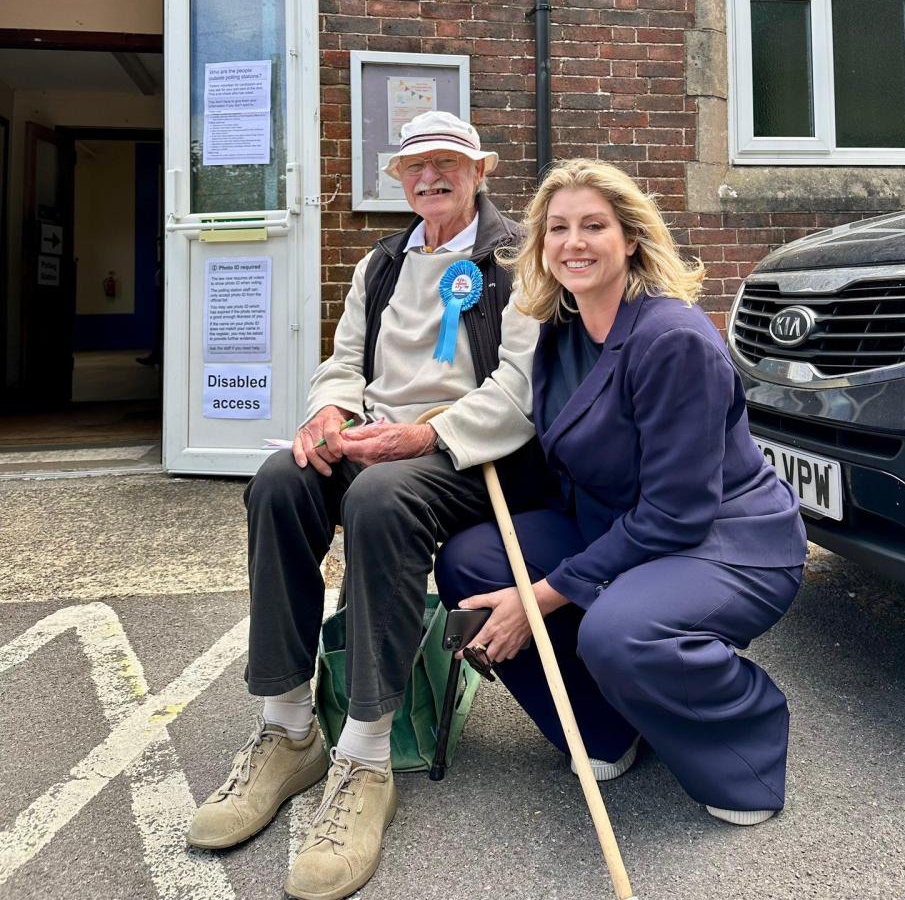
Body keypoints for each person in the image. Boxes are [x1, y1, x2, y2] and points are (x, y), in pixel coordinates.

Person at [187, 111, 542, 900]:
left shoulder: (516, 257)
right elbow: (344, 362)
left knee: (380, 498)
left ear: (479, 171)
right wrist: (327, 414)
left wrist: (425, 434)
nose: (430, 179)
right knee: (281, 478)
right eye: (415, 168)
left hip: (464, 455)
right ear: (400, 181)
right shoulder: (380, 264)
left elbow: (519, 386)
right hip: (376, 442)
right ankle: (288, 731)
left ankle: (367, 758)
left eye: (447, 164)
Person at [435, 158, 808, 825]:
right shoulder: (561, 331)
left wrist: (541, 597)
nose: (573, 242)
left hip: (725, 541)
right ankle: (603, 729)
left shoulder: (672, 340)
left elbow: (677, 512)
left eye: (593, 225)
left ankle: (745, 745)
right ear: (542, 246)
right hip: (619, 529)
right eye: (557, 228)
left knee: (617, 632)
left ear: (630, 238)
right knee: (472, 560)